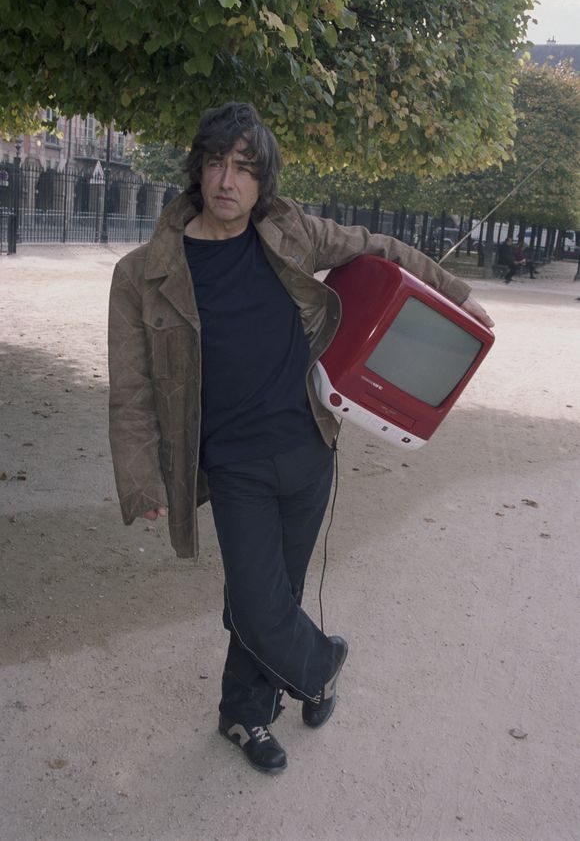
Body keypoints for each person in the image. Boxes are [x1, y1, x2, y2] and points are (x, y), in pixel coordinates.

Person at [108, 102, 494, 775]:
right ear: (198, 169)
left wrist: (456, 294)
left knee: (276, 598)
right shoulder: (144, 273)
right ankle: (322, 667)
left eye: (245, 168)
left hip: (308, 448)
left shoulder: (291, 232)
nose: (228, 180)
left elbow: (378, 249)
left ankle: (243, 713)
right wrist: (141, 478)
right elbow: (132, 388)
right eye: (217, 163)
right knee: (258, 607)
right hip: (233, 465)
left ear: (264, 181)